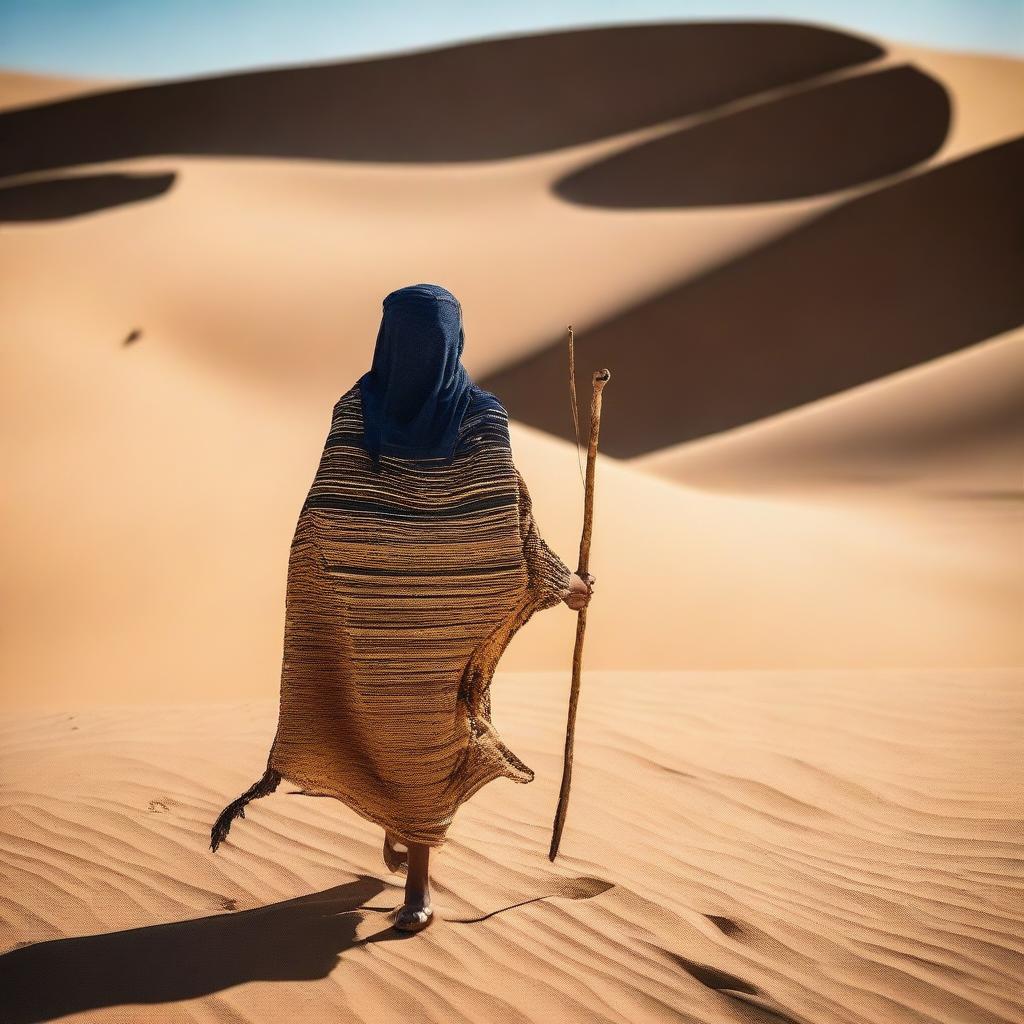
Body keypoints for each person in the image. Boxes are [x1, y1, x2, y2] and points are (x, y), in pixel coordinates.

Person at [209, 283, 594, 932]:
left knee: (426, 748)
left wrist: (558, 580)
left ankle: (418, 876)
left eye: (432, 342)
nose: (421, 356)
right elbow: (331, 513)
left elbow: (505, 519)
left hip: (445, 636)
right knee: (382, 741)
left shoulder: (479, 417)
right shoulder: (356, 412)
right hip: (371, 626)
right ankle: (406, 826)